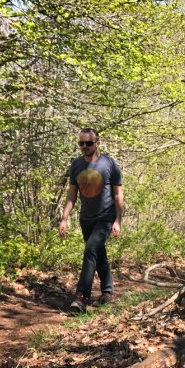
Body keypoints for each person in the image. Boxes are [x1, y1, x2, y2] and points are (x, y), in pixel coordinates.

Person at [59, 128, 124, 314]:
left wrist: (118, 220)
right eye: (81, 143)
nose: (84, 147)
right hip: (85, 219)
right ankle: (108, 292)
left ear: (97, 142)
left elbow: (118, 195)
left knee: (90, 250)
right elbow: (72, 195)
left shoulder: (110, 164)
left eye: (88, 143)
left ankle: (81, 297)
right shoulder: (76, 165)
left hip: (105, 216)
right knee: (98, 252)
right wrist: (64, 218)